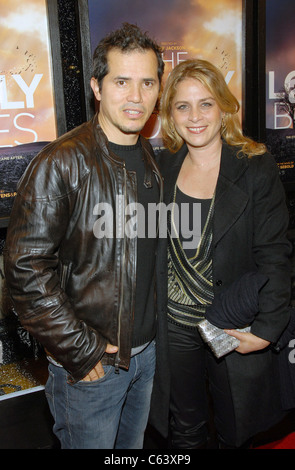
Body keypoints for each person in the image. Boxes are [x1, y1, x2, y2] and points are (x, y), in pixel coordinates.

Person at [4, 23, 164, 449]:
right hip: (93, 367)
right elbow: (24, 270)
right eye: (122, 81)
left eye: (147, 82)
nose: (136, 97)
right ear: (96, 86)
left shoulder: (149, 155)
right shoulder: (60, 162)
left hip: (145, 356)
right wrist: (81, 350)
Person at [149, 59, 292, 449]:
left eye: (206, 104)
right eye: (183, 106)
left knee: (235, 428)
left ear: (224, 108)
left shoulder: (254, 167)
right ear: (171, 116)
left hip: (230, 327)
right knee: (186, 428)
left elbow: (276, 255)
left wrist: (266, 330)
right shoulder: (161, 167)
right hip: (174, 327)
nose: (195, 117)